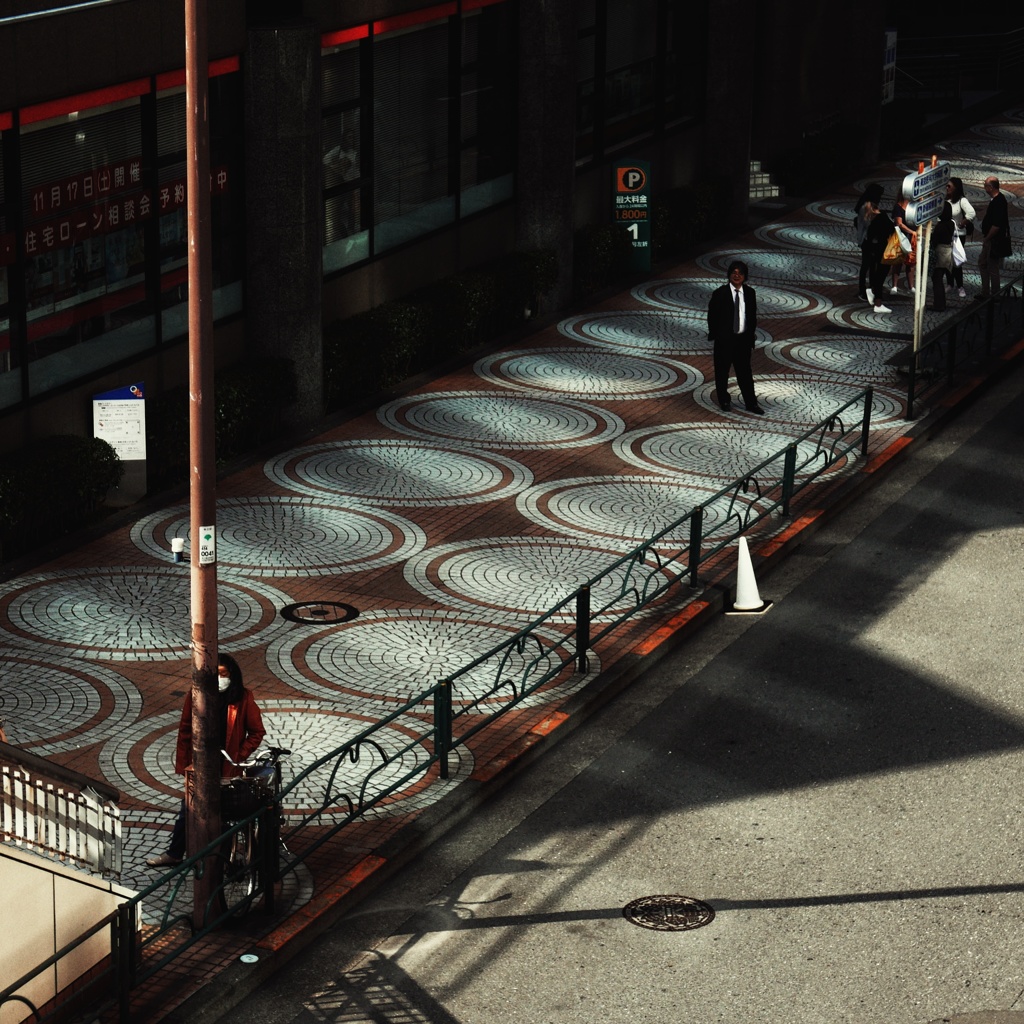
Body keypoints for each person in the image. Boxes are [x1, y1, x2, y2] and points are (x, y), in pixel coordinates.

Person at [146, 653, 266, 868]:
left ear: (232, 675)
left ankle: (222, 859)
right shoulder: (196, 695)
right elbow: (185, 729)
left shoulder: (243, 698)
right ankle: (175, 853)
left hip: (227, 766)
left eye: (224, 674)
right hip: (201, 765)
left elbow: (256, 731)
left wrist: (239, 755)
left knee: (225, 813)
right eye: (216, 674)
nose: (220, 679)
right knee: (188, 810)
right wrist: (185, 764)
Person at [707, 259, 763, 414]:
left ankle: (751, 403)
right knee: (722, 373)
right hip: (725, 341)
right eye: (734, 272)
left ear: (745, 276)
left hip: (742, 342)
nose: (736, 276)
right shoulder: (720, 294)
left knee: (745, 374)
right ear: (729, 275)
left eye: (740, 273)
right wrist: (717, 335)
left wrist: (750, 336)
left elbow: (751, 317)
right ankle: (724, 401)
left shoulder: (750, 293)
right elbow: (712, 316)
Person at [976, 175, 1011, 300]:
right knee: (983, 263)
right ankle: (986, 292)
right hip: (991, 238)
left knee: (992, 266)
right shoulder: (997, 200)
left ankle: (994, 295)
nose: (984, 187)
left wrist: (987, 238)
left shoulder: (998, 202)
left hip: (993, 240)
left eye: (985, 185)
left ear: (990, 187)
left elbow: (996, 226)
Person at [862, 195, 895, 314]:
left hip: (876, 251)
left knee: (877, 274)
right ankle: (878, 302)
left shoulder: (873, 221)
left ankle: (873, 291)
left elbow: (869, 237)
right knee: (881, 276)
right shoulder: (883, 217)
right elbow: (892, 229)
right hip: (885, 250)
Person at [945, 176, 975, 298]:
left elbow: (971, 213)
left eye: (949, 186)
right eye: (946, 186)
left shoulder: (962, 200)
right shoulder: (946, 201)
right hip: (947, 234)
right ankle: (950, 283)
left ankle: (960, 286)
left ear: (956, 188)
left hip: (958, 236)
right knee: (947, 260)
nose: (947, 188)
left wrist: (963, 223)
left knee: (957, 261)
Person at [854, 182, 884, 302]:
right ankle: (863, 290)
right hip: (868, 241)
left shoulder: (869, 206)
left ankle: (871, 288)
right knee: (866, 265)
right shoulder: (866, 207)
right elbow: (869, 225)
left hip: (871, 240)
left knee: (872, 265)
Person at [927, 201, 955, 312]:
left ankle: (938, 305)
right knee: (940, 279)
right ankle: (941, 303)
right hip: (948, 252)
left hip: (940, 253)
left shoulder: (941, 226)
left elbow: (934, 241)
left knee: (937, 280)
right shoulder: (951, 223)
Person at [890, 194, 916, 294]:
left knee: (911, 262)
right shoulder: (898, 207)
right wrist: (911, 231)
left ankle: (911, 287)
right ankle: (894, 286)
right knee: (898, 262)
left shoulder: (913, 206)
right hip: (901, 237)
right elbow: (899, 223)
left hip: (911, 237)